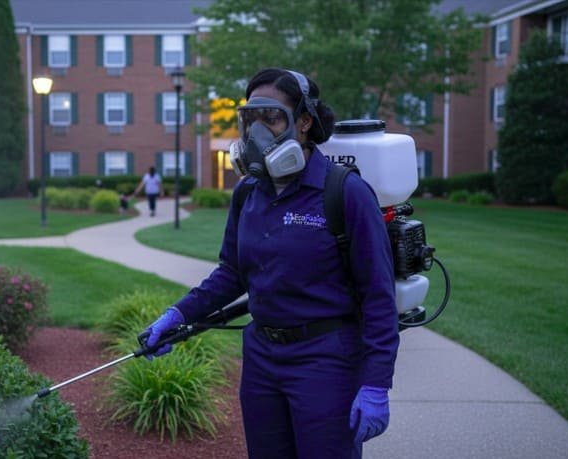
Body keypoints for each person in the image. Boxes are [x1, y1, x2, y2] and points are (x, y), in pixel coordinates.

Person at [141, 68, 399, 459]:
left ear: (305, 122)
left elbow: (379, 297)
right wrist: (178, 314)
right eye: (250, 118)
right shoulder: (247, 192)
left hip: (326, 360)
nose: (257, 130)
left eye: (272, 117)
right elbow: (232, 273)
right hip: (262, 359)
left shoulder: (344, 192)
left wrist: (376, 384)